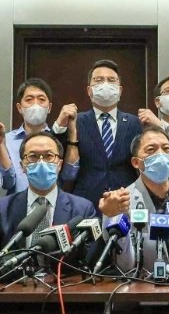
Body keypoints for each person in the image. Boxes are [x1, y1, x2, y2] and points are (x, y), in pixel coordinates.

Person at [97, 127, 169, 274]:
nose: (161, 154)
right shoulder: (121, 202)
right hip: (144, 283)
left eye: (166, 149)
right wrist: (113, 216)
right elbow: (124, 265)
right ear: (136, 162)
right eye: (151, 150)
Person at [0, 132, 99, 260]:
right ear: (22, 166)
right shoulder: (2, 208)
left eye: (49, 156)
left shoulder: (82, 209)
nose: (41, 162)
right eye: (33, 156)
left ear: (60, 165)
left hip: (62, 272)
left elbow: (89, 258)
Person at [53, 59, 142, 207]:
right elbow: (57, 155)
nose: (105, 84)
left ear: (120, 90)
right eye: (99, 80)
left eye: (111, 80)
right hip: (85, 201)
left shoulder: (134, 123)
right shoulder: (75, 120)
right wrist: (59, 126)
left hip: (125, 199)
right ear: (89, 91)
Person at [2, 78, 56, 194]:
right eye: (29, 100)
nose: (35, 105)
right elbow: (7, 183)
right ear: (19, 108)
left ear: (49, 107)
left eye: (41, 99)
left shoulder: (57, 138)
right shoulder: (6, 141)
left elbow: (68, 176)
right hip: (18, 203)